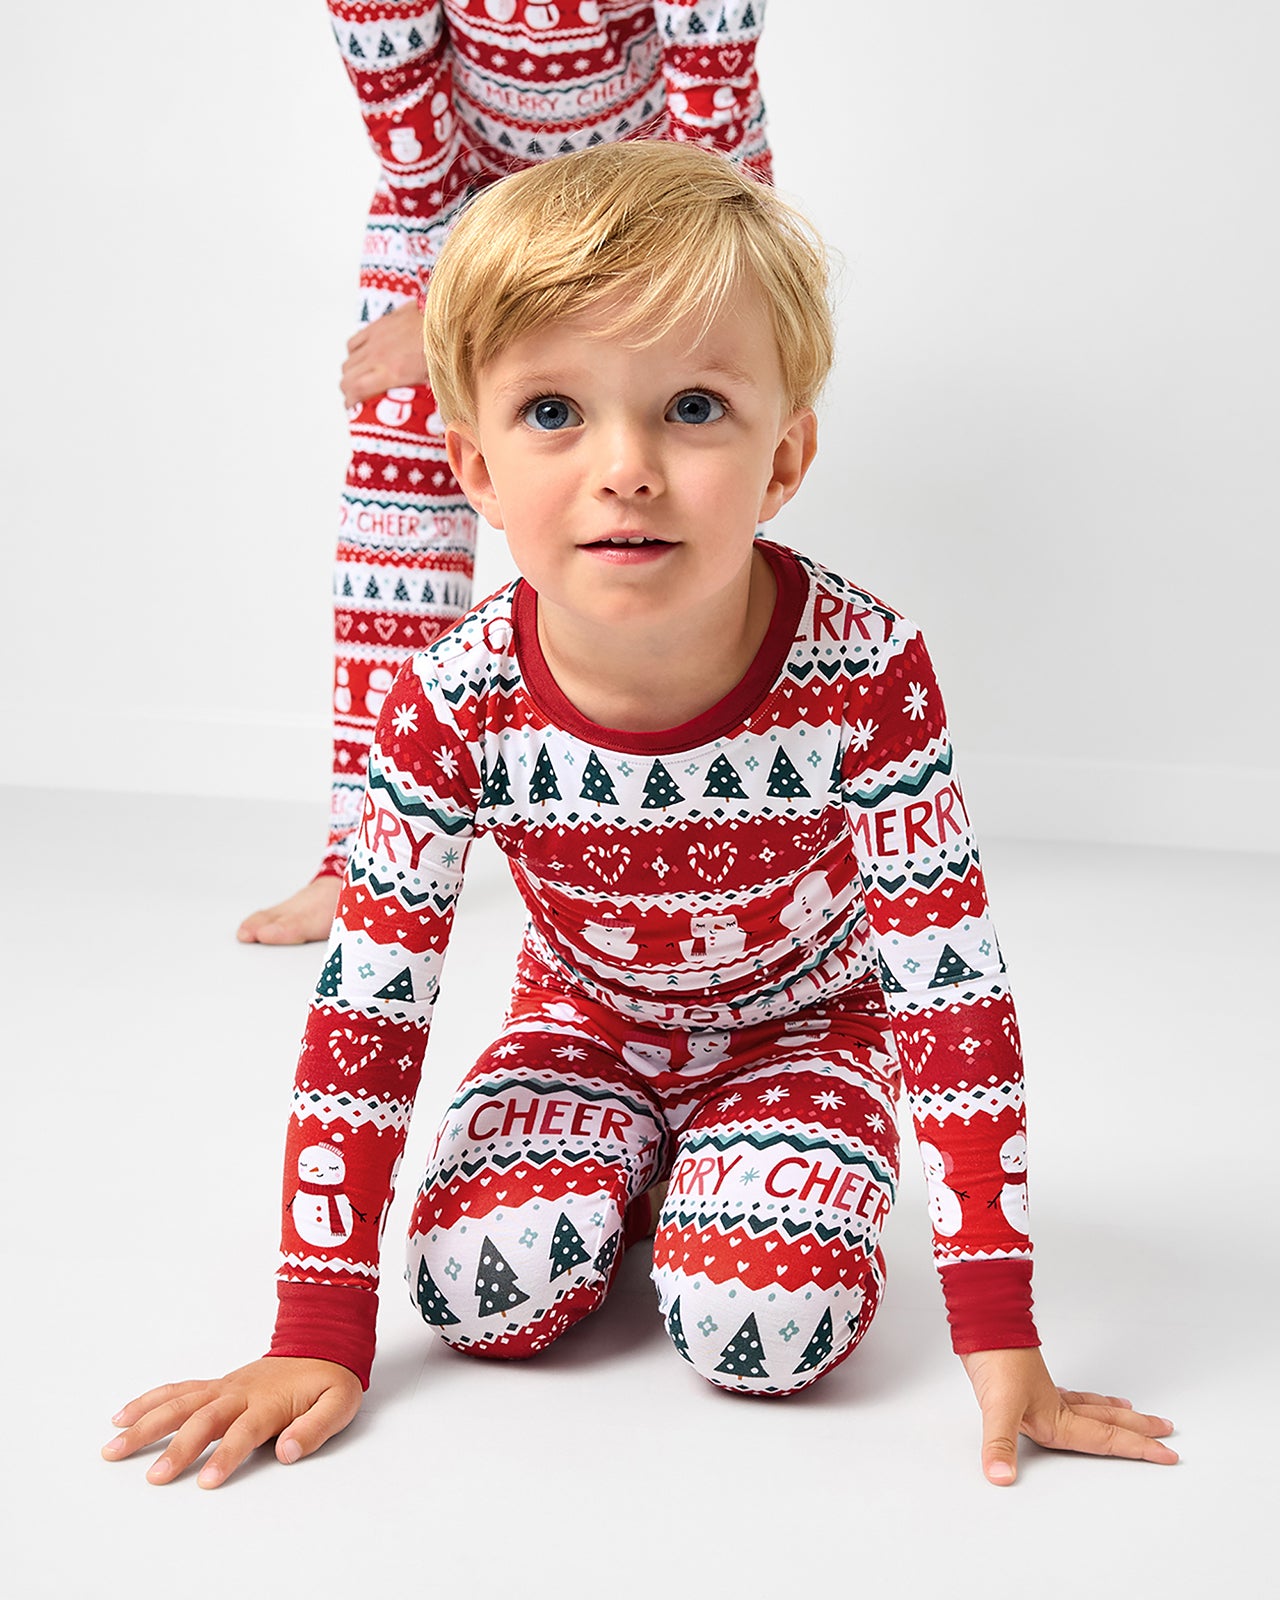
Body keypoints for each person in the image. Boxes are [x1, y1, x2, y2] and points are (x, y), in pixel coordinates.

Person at [105, 141, 1178, 1489]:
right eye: (553, 412)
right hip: (585, 1022)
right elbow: (370, 1001)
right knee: (484, 1301)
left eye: (692, 408)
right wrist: (318, 1327)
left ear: (784, 458)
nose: (626, 468)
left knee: (763, 1328)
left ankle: (740, 1153)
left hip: (806, 1028)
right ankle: (635, 1155)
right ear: (475, 468)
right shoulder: (453, 699)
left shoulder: (870, 668)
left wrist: (999, 1332)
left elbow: (949, 992)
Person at [237, 0, 772, 946]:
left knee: (687, 507)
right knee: (393, 527)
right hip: (459, 218)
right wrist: (445, 309)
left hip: (671, 202)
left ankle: (702, 825)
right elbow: (420, 165)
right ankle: (365, 857)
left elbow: (714, 147)